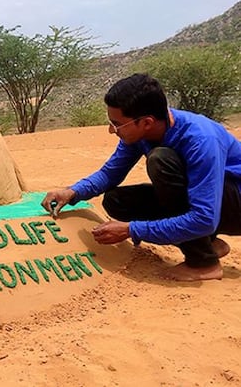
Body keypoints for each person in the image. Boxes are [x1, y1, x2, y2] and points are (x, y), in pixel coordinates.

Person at [42, 73, 241, 281]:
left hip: (233, 204)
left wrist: (132, 229)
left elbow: (204, 218)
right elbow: (111, 173)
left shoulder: (201, 139)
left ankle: (204, 263)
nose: (112, 130)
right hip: (206, 201)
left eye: (117, 124)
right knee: (117, 201)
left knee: (161, 160)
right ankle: (209, 244)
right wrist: (72, 192)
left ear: (146, 122)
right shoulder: (140, 134)